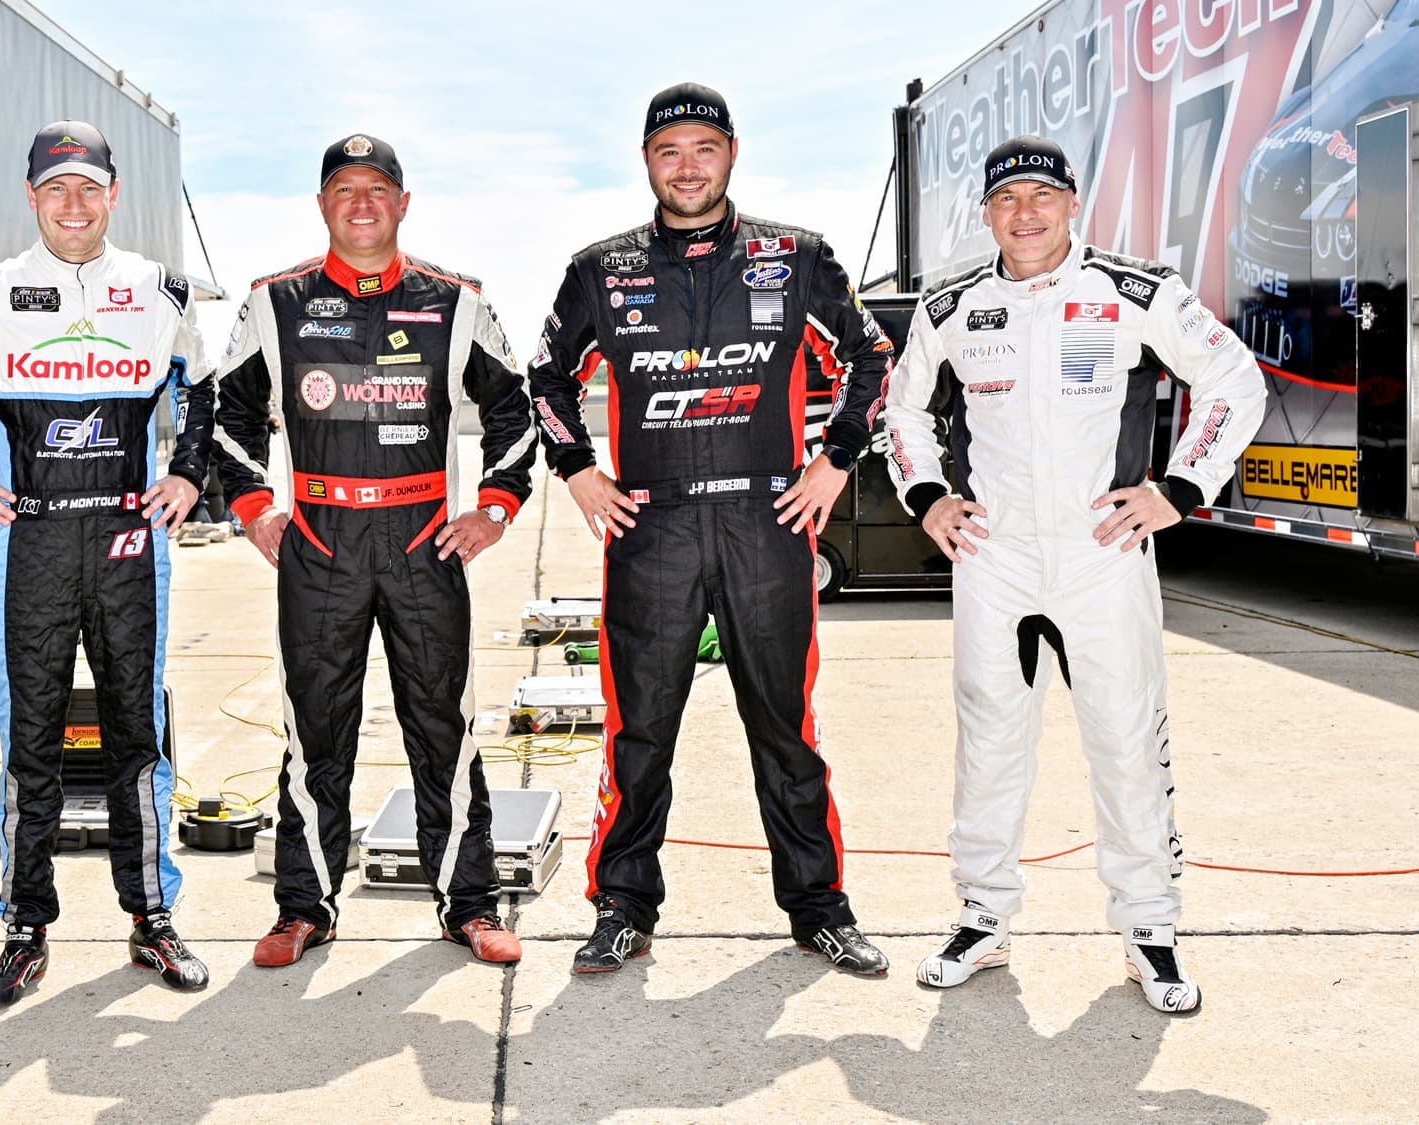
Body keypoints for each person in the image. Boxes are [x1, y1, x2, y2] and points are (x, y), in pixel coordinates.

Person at [881, 136, 1266, 1013]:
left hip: (1104, 554)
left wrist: (1180, 487)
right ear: (985, 213)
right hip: (995, 558)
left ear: (1072, 203)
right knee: (988, 737)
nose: (1025, 213)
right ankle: (983, 917)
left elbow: (1234, 379)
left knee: (1127, 739)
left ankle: (1150, 929)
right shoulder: (949, 308)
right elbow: (901, 406)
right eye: (1007, 199)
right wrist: (928, 494)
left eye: (1041, 197)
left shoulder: (1136, 291)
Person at [528, 83, 893, 977]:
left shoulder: (795, 255)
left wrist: (835, 459)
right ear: (646, 161)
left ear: (732, 153)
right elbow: (543, 377)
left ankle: (818, 907)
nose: (686, 167)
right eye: (668, 151)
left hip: (767, 521)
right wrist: (578, 470)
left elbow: (871, 357)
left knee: (784, 726)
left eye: (703, 148)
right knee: (640, 730)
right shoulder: (599, 269)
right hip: (651, 527)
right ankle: (622, 904)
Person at [212, 133, 537, 967]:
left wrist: (494, 507)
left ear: (402, 201)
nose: (362, 203)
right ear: (323, 205)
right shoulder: (273, 301)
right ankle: (305, 905)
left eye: (377, 188)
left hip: (424, 540)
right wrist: (255, 510)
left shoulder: (456, 299)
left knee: (445, 726)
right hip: (319, 542)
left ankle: (469, 902)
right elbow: (229, 412)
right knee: (314, 731)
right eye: (344, 189)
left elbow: (516, 410)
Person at [0, 121, 213, 1003]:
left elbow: (206, 386)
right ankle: (23, 925)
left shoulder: (160, 290)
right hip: (31, 545)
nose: (74, 204)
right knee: (30, 742)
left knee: (138, 737)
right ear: (32, 196)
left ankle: (152, 918)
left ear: (113, 193)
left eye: (89, 187)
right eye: (57, 189)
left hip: (132, 546)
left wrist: (188, 473)